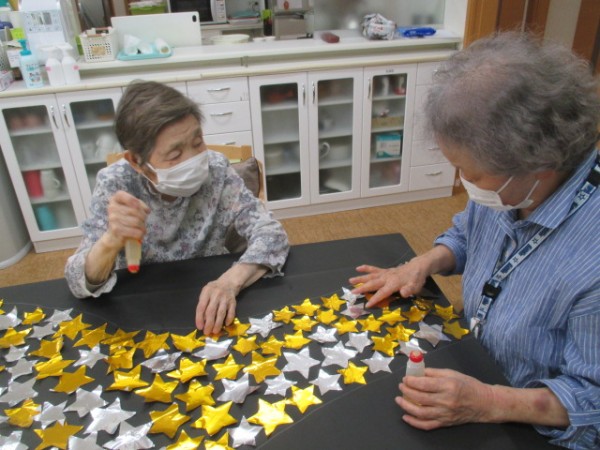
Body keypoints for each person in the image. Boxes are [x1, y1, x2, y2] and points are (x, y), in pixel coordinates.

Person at [350, 33, 600, 448]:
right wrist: (423, 264)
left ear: (539, 164)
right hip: (473, 358)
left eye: (473, 174)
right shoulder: (514, 186)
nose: (464, 183)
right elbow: (468, 234)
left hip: (533, 425)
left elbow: (592, 399)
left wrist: (489, 402)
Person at [65, 80, 289, 335]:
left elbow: (271, 233)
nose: (193, 159)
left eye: (198, 142)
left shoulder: (216, 169)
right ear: (137, 161)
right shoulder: (117, 184)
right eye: (174, 155)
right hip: (145, 311)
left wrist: (230, 282)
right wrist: (110, 240)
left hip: (210, 297)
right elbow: (77, 281)